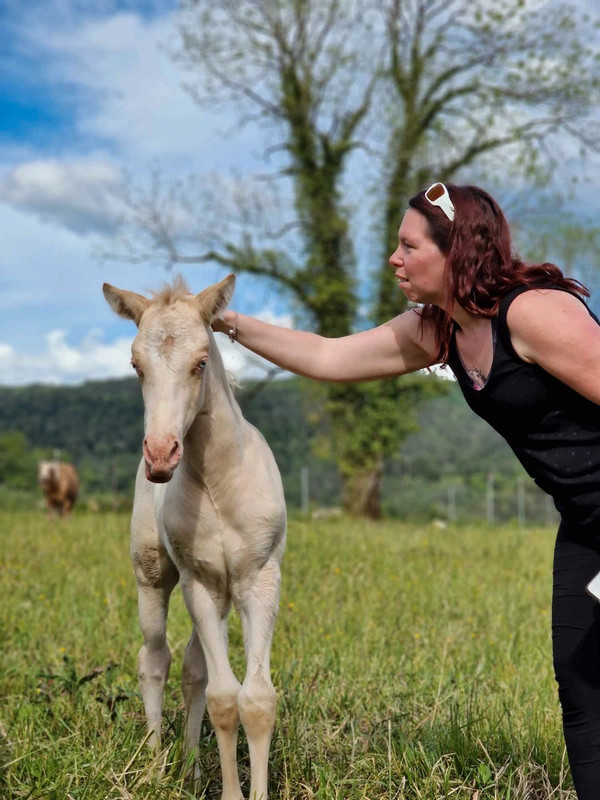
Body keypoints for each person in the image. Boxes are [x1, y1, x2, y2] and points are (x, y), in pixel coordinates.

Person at [212, 182, 600, 799]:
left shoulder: (531, 313)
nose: (393, 259)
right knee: (582, 688)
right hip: (585, 525)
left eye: (407, 245)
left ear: (456, 251)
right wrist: (223, 321)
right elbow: (328, 357)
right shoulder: (437, 331)